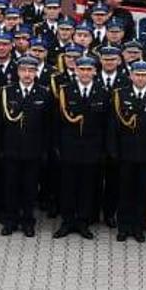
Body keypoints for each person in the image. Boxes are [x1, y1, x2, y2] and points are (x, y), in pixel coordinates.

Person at [0, 56, 53, 237]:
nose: (27, 74)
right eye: (24, 70)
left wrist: (45, 150)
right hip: (11, 149)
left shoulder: (44, 93)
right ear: (18, 72)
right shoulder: (6, 92)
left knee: (29, 188)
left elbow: (49, 125)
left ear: (36, 72)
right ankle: (10, 220)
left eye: (31, 71)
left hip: (33, 151)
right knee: (10, 187)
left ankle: (28, 221)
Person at [110, 61, 146, 243]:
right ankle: (124, 227)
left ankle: (138, 227)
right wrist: (114, 150)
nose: (140, 78)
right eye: (137, 74)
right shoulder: (120, 95)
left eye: (144, 75)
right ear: (131, 76)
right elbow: (114, 127)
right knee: (124, 190)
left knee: (142, 192)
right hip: (125, 153)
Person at [54, 57, 108, 240]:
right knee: (67, 185)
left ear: (95, 72)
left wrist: (104, 149)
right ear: (75, 70)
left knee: (87, 186)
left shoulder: (102, 92)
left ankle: (83, 221)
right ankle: (67, 221)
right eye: (82, 69)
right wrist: (58, 146)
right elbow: (58, 122)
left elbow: (107, 124)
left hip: (92, 147)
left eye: (89, 69)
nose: (85, 73)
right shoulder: (65, 91)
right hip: (69, 146)